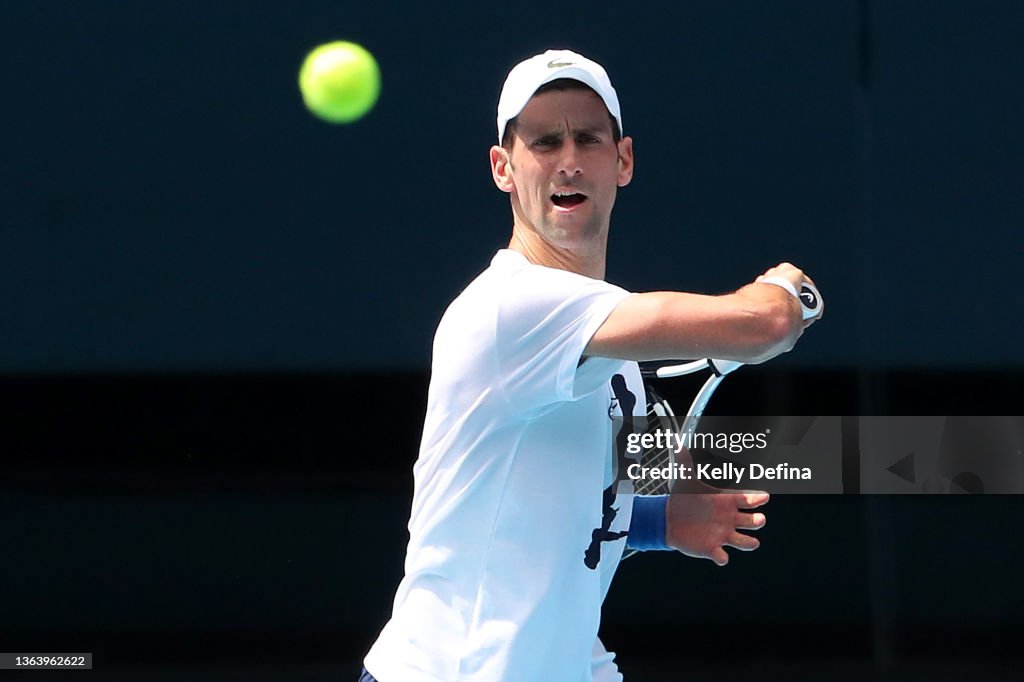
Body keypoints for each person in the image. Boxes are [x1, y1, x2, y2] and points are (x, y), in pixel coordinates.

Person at [361, 49, 821, 682]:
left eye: (588, 138)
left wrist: (660, 523)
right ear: (504, 168)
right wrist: (786, 296)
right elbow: (763, 327)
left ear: (622, 160)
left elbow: (570, 505)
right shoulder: (510, 308)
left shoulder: (613, 356)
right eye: (545, 142)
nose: (569, 160)